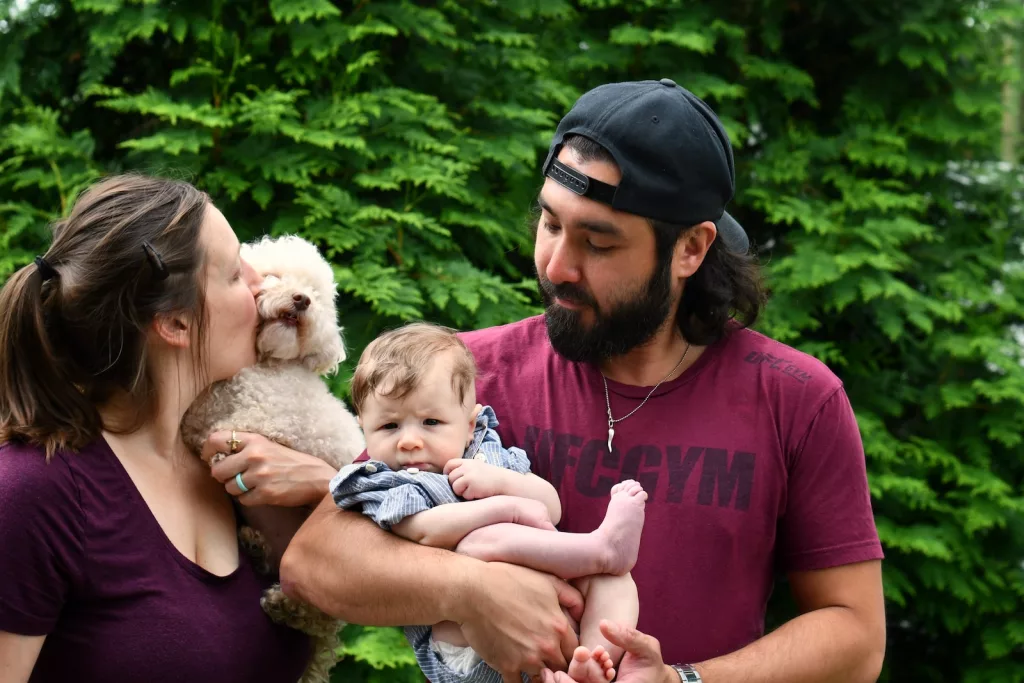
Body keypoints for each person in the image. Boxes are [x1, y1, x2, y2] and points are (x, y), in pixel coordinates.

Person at [280, 78, 887, 683]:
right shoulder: (465, 378)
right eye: (549, 224)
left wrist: (685, 682)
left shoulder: (795, 399)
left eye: (597, 242)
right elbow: (316, 561)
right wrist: (469, 591)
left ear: (691, 250)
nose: (556, 265)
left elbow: (855, 637)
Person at [0, 174, 340, 683]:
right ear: (176, 323)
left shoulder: (247, 465)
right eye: (233, 274)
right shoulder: (31, 492)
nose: (260, 285)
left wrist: (328, 488)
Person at [331, 322, 645, 683]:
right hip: (466, 642)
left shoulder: (488, 457)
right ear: (364, 428)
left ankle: (588, 659)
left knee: (614, 582)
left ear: (469, 425)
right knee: (478, 542)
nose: (409, 441)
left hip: (554, 615)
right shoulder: (384, 481)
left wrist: (500, 481)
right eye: (389, 427)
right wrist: (504, 507)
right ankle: (599, 547)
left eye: (431, 422)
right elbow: (423, 532)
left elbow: (550, 506)